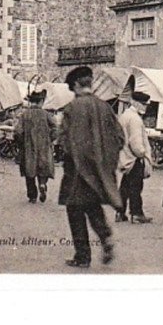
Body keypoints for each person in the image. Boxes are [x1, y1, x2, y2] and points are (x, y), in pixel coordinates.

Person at [58, 66, 124, 269]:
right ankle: (106, 238)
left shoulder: (71, 108)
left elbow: (65, 142)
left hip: (77, 172)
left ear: (77, 85)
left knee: (74, 210)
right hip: (99, 172)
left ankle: (82, 256)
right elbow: (119, 138)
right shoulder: (105, 107)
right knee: (93, 207)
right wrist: (106, 161)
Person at [116, 91, 153, 224]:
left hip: (125, 156)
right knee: (136, 186)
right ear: (137, 104)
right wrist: (142, 154)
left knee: (125, 186)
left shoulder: (125, 116)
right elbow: (136, 141)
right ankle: (136, 213)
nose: (146, 107)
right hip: (134, 158)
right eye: (144, 104)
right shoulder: (135, 119)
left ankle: (120, 212)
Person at [14, 90, 56, 204]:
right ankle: (42, 184)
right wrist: (50, 139)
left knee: (29, 170)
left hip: (28, 147)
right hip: (44, 146)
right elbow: (55, 128)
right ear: (41, 102)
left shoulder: (24, 115)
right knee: (43, 167)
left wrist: (21, 143)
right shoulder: (46, 114)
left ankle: (32, 196)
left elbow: (17, 131)